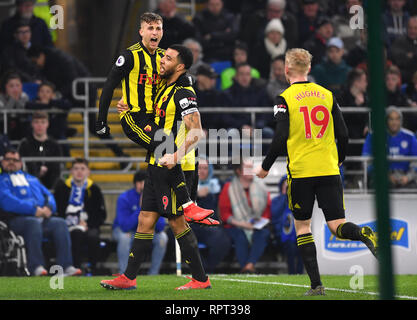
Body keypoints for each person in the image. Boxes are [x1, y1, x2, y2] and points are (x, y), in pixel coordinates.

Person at [255, 48, 377, 296]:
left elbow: (280, 137)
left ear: (286, 70)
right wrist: (339, 159)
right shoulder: (327, 94)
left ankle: (316, 285)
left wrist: (265, 166)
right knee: (337, 225)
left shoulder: (284, 98)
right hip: (329, 169)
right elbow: (343, 134)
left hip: (301, 172)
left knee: (303, 227)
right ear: (309, 69)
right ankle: (362, 232)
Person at [100, 44, 216, 291]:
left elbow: (197, 131)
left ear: (180, 66)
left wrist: (175, 155)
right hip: (157, 162)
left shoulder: (184, 91)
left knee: (176, 222)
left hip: (177, 165)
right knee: (145, 219)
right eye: (163, 55)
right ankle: (129, 277)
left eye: (168, 58)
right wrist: (128, 105)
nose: (162, 60)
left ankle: (200, 279)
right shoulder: (166, 85)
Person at [95, 12, 214, 225]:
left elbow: (183, 76)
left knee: (169, 154)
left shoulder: (163, 57)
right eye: (150, 28)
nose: (155, 32)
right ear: (141, 31)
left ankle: (185, 204)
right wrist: (101, 121)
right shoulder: (130, 56)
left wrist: (188, 79)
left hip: (156, 119)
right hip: (135, 117)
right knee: (166, 144)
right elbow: (109, 84)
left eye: (158, 28)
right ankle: (188, 205)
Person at [0, 148, 81, 276]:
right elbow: (7, 201)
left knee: (59, 223)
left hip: (40, 217)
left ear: (21, 163)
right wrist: (33, 210)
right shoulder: (2, 180)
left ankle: (66, 266)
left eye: (15, 160)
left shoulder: (32, 179)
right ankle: (36, 266)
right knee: (32, 223)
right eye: (8, 159)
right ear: (2, 162)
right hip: (16, 220)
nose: (12, 162)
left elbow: (49, 195)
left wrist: (49, 207)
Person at [54, 158, 107, 274]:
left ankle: (94, 268)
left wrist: (88, 224)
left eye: (83, 169)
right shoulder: (62, 188)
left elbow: (101, 214)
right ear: (71, 171)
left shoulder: (94, 189)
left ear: (88, 172)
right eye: (76, 168)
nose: (79, 172)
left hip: (89, 225)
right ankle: (74, 268)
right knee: (75, 234)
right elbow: (58, 210)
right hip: (66, 225)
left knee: (93, 236)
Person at [218, 159, 271, 273]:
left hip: (256, 224)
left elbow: (266, 211)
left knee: (263, 234)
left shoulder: (261, 187)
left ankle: (248, 266)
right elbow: (225, 215)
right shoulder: (229, 187)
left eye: (252, 167)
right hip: (235, 225)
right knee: (240, 237)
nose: (252, 171)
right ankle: (247, 268)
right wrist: (243, 224)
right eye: (248, 168)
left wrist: (257, 222)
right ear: (239, 171)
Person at [113, 170, 168, 275]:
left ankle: (153, 273)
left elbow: (161, 226)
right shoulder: (124, 198)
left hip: (146, 231)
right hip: (126, 231)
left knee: (162, 238)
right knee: (125, 238)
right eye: (145, 182)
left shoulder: (155, 197)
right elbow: (124, 226)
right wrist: (142, 208)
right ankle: (124, 274)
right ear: (137, 184)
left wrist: (150, 207)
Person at [192, 157, 231, 273]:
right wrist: (196, 194)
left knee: (224, 241)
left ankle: (208, 269)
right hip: (191, 225)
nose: (202, 171)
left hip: (210, 225)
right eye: (199, 168)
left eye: (205, 168)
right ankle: (201, 269)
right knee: (185, 241)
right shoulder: (186, 185)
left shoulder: (218, 185)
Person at [362, 106, 417, 188]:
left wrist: (408, 177)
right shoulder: (374, 136)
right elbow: (366, 161)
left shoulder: (410, 136)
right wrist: (385, 176)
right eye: (391, 119)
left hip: (405, 177)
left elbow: (415, 161)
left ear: (401, 121)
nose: (394, 122)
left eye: (397, 119)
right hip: (381, 177)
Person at [18, 111, 62, 189]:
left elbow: (58, 166)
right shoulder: (25, 144)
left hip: (50, 182)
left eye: (43, 122)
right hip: (29, 183)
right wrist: (37, 170)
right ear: (32, 124)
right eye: (36, 122)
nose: (39, 125)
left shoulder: (54, 145)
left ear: (47, 124)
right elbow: (21, 165)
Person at [270, 175, 303, 274]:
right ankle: (292, 274)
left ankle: (300, 274)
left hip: (297, 234)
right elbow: (275, 215)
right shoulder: (276, 201)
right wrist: (285, 196)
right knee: (290, 246)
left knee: (303, 245)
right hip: (280, 236)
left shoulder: (299, 201)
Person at [0, 72, 30, 140]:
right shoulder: (1, 97)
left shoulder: (24, 96)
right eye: (11, 86)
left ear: (21, 86)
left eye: (17, 85)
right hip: (4, 125)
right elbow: (3, 115)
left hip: (20, 127)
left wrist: (16, 100)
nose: (15, 89)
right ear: (6, 87)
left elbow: (23, 113)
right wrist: (12, 99)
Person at [390, 16, 417, 83]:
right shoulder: (400, 41)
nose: (412, 31)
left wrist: (411, 56)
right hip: (405, 75)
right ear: (407, 28)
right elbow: (397, 58)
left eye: (416, 28)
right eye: (410, 28)